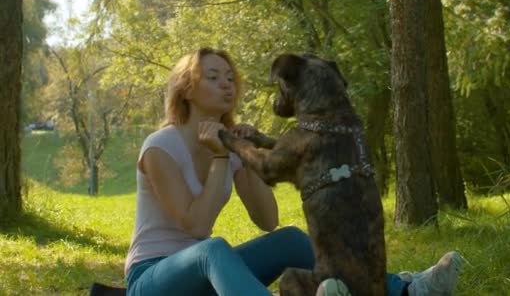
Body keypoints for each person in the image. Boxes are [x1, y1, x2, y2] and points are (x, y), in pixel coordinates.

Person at [124, 47, 462, 296]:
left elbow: (267, 219)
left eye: (230, 78)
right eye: (212, 77)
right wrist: (221, 159)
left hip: (207, 279)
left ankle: (404, 289)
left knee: (290, 240)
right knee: (213, 249)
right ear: (186, 89)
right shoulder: (160, 146)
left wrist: (244, 152)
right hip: (153, 278)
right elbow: (196, 228)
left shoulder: (229, 144)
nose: (226, 85)